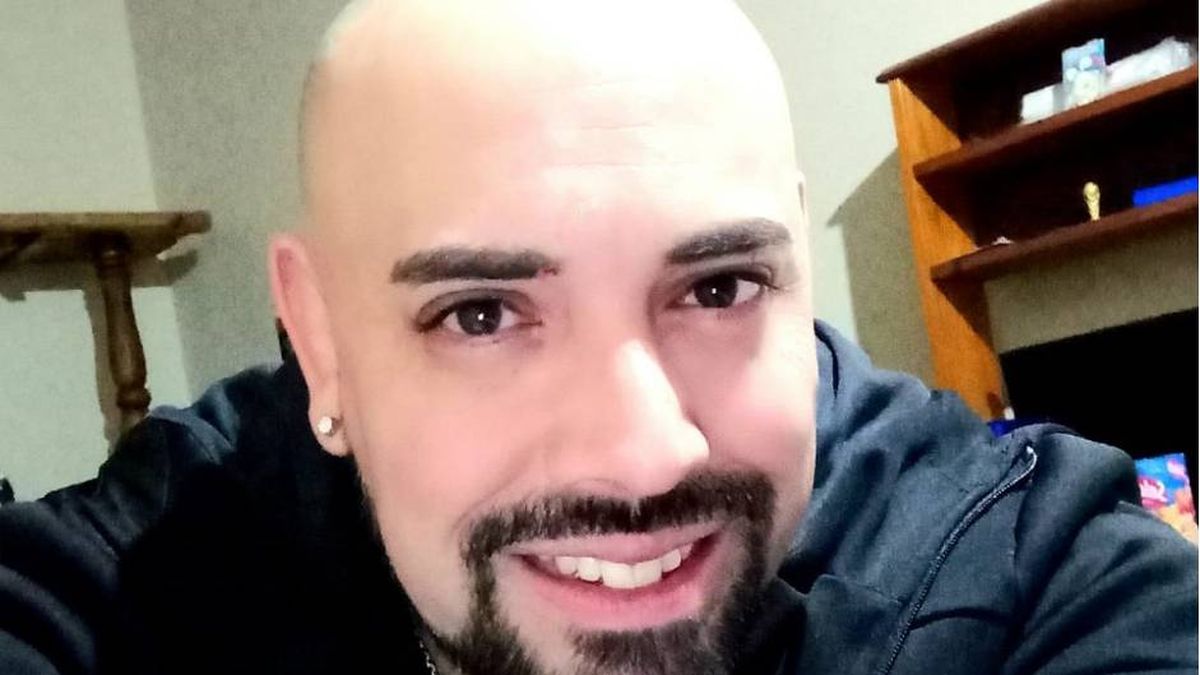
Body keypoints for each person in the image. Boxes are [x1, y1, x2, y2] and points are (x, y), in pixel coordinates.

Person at [0, 1, 1195, 674]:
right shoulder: (152, 568)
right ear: (320, 343)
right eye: (479, 314)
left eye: (718, 287)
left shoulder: (1035, 575)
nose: (643, 456)